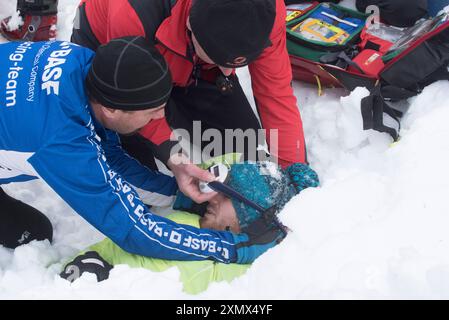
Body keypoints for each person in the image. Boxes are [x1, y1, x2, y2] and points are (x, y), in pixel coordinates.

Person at [0, 36, 285, 264]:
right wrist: (234, 248)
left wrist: (183, 195)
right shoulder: (59, 139)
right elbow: (133, 229)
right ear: (111, 109)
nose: (160, 119)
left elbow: (109, 160)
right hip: (32, 126)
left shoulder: (86, 64)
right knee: (33, 235)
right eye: (152, 111)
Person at [69, 0, 307, 175]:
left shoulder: (265, 11)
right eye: (219, 61)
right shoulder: (134, 12)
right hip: (116, 59)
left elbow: (275, 93)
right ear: (190, 26)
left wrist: (294, 170)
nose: (227, 73)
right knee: (139, 174)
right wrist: (172, 153)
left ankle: (188, 86)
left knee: (245, 147)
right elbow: (128, 103)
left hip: (191, 64)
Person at [61, 157, 320, 294]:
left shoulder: (240, 275)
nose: (213, 197)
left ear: (250, 220)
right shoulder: (192, 217)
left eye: (226, 196)